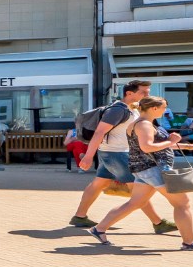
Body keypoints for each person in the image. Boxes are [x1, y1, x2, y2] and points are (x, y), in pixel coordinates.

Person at [86, 96, 193, 251]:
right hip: (153, 169)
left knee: (135, 203)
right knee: (182, 204)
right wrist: (172, 141)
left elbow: (155, 145)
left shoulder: (139, 124)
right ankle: (190, 242)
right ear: (154, 108)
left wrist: (190, 147)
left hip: (143, 170)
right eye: (163, 107)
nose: (165, 110)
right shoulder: (144, 125)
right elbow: (148, 147)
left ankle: (98, 229)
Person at [70, 80, 175, 234]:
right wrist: (88, 156)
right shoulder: (117, 110)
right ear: (129, 93)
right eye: (143, 92)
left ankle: (79, 216)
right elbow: (99, 132)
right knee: (139, 188)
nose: (147, 94)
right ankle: (158, 223)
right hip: (116, 154)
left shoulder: (134, 109)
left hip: (112, 153)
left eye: (148, 91)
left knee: (98, 184)